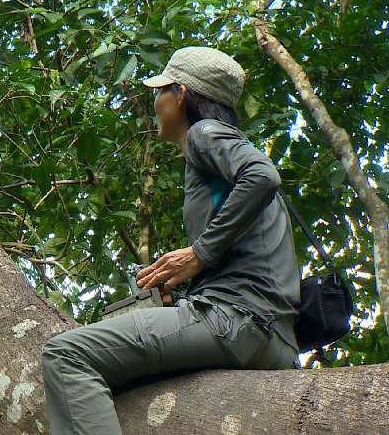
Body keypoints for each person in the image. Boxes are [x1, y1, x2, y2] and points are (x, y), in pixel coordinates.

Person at [40, 47, 300, 434]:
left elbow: (263, 176)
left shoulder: (204, 133)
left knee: (65, 355)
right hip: (274, 337)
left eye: (160, 89)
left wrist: (198, 253)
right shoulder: (221, 150)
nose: (154, 100)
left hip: (239, 320)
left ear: (180, 95)